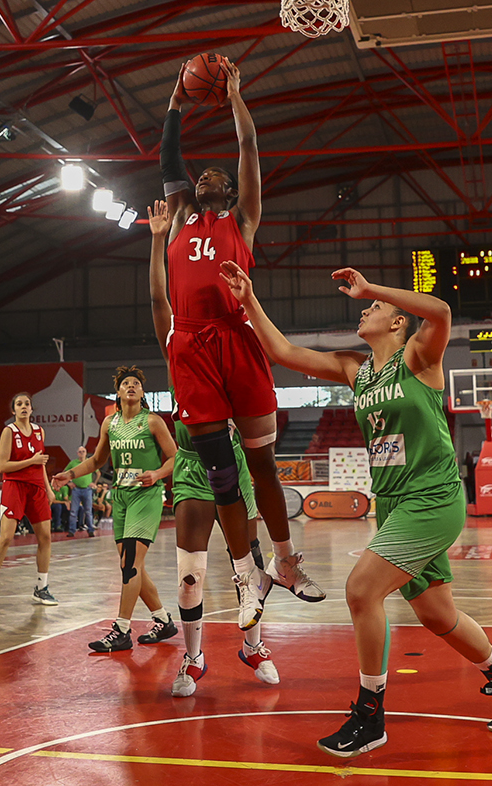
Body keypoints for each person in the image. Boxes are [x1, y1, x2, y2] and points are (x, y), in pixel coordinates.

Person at [223, 261, 492, 757]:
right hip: (392, 503)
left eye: (375, 307)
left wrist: (372, 286)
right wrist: (248, 301)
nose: (365, 308)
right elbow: (283, 351)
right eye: (366, 303)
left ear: (396, 322)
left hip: (431, 498)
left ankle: (370, 714)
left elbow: (440, 310)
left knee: (361, 590)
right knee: (437, 614)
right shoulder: (355, 368)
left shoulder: (419, 356)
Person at [158, 54, 322, 628]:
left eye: (214, 176)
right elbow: (169, 158)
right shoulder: (179, 219)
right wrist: (177, 103)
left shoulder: (243, 219)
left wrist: (232, 98)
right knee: (222, 476)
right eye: (198, 175)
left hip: (237, 338)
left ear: (230, 190)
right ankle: (246, 577)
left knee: (263, 468)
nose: (203, 177)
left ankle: (284, 561)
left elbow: (249, 148)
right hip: (191, 347)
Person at [148, 199, 279, 696]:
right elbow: (160, 299)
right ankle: (194, 657)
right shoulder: (175, 343)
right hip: (190, 470)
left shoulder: (222, 350)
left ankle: (253, 645)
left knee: (249, 565)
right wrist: (158, 239)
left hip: (233, 469)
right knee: (189, 577)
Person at [52, 366, 179, 652]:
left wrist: (157, 474)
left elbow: (175, 457)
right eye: (126, 383)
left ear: (142, 393)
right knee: (131, 565)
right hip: (120, 496)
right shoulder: (109, 423)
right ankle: (163, 620)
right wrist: (69, 475)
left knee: (130, 564)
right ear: (118, 392)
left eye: (136, 383)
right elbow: (97, 460)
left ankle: (122, 629)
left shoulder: (153, 421)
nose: (131, 386)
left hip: (145, 497)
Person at [0, 393, 58, 608]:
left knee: (46, 537)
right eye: (19, 404)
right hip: (14, 486)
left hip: (37, 487)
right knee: (6, 537)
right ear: (13, 410)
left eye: (27, 404)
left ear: (31, 409)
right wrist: (31, 460)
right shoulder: (9, 432)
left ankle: (41, 588)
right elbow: (2, 466)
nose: (23, 407)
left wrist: (48, 489)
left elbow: (41, 465)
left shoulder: (40, 431)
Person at [64, 446, 95, 537]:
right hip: (76, 489)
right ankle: (72, 531)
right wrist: (69, 482)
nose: (81, 453)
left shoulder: (89, 462)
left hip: (87, 489)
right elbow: (65, 473)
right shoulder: (73, 463)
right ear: (77, 453)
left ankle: (90, 530)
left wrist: (93, 482)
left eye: (83, 451)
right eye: (80, 451)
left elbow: (98, 472)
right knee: (74, 511)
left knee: (88, 511)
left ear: (86, 452)